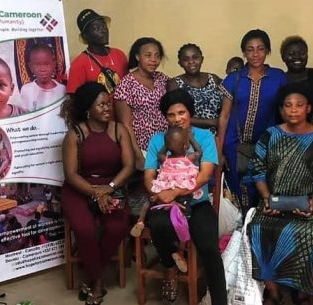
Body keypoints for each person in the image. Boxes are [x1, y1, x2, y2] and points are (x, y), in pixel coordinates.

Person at [248, 86, 313, 305]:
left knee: (311, 231)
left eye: (299, 105)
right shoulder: (270, 135)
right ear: (282, 109)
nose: (293, 110)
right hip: (273, 200)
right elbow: (258, 170)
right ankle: (273, 291)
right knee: (258, 227)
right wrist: (265, 197)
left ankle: (305, 292)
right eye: (288, 105)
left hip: (312, 202)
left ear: (308, 108)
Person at [144, 89, 226, 305]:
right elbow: (149, 175)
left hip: (197, 203)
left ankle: (220, 300)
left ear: (190, 113)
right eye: (171, 115)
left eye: (182, 113)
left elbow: (205, 175)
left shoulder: (205, 137)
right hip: (165, 204)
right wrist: (161, 195)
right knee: (158, 224)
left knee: (209, 247)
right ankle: (170, 268)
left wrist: (177, 192)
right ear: (165, 117)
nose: (177, 119)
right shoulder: (158, 140)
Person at [60, 82, 135, 305]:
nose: (107, 108)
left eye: (108, 104)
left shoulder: (118, 129)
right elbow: (71, 174)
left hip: (112, 186)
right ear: (87, 109)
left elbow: (129, 166)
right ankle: (98, 283)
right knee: (85, 229)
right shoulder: (75, 134)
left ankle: (92, 275)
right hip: (80, 189)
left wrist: (110, 189)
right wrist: (97, 194)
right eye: (101, 105)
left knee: (117, 227)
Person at [218, 29, 287, 214]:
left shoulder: (278, 77)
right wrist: (219, 149)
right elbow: (224, 115)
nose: (255, 54)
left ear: (267, 51)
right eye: (250, 50)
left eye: (260, 49)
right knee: (237, 185)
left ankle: (257, 228)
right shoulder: (234, 79)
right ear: (244, 52)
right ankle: (239, 231)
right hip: (234, 143)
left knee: (263, 184)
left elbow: (287, 109)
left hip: (266, 142)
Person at [131, 125, 203, 273]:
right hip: (180, 196)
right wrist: (191, 138)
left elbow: (159, 154)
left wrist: (167, 143)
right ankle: (180, 251)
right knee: (184, 222)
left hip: (163, 192)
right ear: (185, 146)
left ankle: (140, 220)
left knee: (150, 201)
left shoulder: (165, 158)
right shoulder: (188, 158)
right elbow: (199, 152)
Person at [114, 37, 169, 170]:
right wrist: (138, 155)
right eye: (148, 55)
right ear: (138, 56)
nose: (153, 60)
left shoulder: (163, 79)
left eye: (157, 56)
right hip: (143, 147)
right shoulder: (126, 84)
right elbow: (125, 124)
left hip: (167, 145)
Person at [67, 9, 128, 95]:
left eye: (104, 26)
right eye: (96, 28)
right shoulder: (78, 64)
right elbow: (74, 100)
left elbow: (129, 86)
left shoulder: (119, 55)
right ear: (85, 36)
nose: (103, 30)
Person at [167, 43, 223, 133]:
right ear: (180, 63)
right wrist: (212, 122)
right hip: (190, 136)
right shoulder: (174, 84)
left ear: (202, 59)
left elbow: (226, 106)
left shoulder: (214, 79)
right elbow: (175, 116)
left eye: (195, 57)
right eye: (186, 59)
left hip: (219, 135)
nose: (191, 62)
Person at [280, 35, 313, 109]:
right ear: (283, 57)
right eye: (291, 54)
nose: (297, 57)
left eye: (302, 53)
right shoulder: (280, 80)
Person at [20, 43, 66, 111]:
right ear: (31, 67)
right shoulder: (26, 90)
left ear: (54, 64)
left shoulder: (62, 89)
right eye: (37, 65)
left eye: (46, 64)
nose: (42, 69)